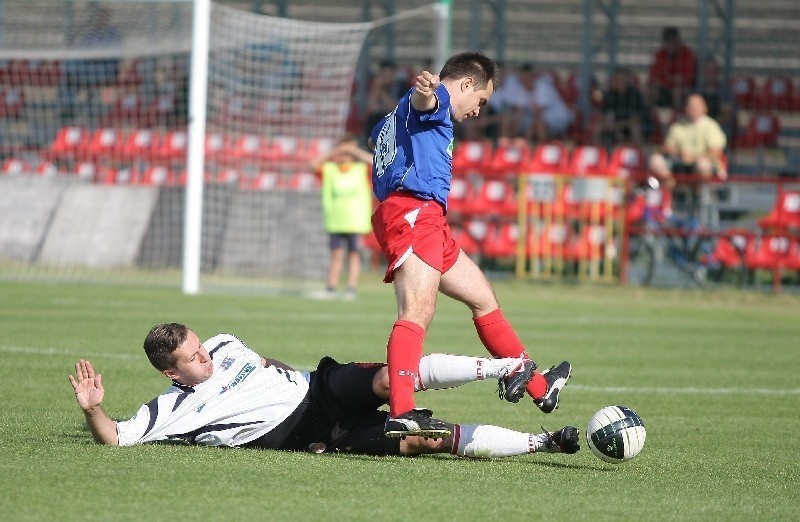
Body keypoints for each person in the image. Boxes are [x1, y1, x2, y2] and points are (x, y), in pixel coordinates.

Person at [367, 51, 572, 439]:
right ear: (465, 85)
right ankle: (402, 412)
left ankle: (539, 389)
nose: (479, 111)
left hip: (427, 218)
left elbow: (381, 133)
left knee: (483, 298)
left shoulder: (400, 115)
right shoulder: (439, 101)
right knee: (418, 310)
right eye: (481, 101)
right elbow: (427, 100)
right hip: (414, 212)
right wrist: (425, 94)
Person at [69, 323, 581, 458]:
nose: (206, 356)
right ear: (172, 374)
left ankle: (511, 367)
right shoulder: (172, 410)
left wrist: (290, 375)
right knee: (427, 437)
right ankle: (544, 442)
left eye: (202, 347)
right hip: (315, 432)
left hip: (319, 386)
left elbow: (263, 362)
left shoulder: (224, 343)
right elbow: (115, 437)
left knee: (391, 376)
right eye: (193, 359)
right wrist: (95, 411)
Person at [310, 136, 374, 300]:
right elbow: (312, 165)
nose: (345, 155)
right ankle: (331, 287)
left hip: (355, 221)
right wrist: (334, 151)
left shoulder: (361, 169)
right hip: (336, 220)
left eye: (348, 151)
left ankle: (351, 288)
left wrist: (354, 151)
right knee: (336, 255)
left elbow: (376, 162)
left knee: (354, 254)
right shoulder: (330, 169)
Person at [649, 93, 728, 190]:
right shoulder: (678, 125)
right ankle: (672, 187)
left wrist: (694, 157)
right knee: (655, 160)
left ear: (704, 108)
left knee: (703, 165)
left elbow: (717, 151)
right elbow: (667, 147)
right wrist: (679, 153)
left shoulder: (711, 126)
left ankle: (698, 192)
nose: (693, 109)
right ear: (686, 108)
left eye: (696, 106)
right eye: (690, 106)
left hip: (700, 165)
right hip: (679, 163)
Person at [596, 68, 649, 149]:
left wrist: (621, 125)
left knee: (635, 128)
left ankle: (639, 154)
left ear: (628, 81)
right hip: (614, 125)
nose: (620, 82)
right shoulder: (609, 95)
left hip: (629, 125)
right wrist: (610, 124)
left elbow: (638, 118)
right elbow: (604, 115)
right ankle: (600, 155)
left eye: (623, 79)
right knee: (598, 127)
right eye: (618, 79)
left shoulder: (635, 95)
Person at [647, 26, 698, 112]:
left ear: (678, 41)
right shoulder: (659, 55)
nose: (670, 46)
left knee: (677, 92)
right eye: (668, 42)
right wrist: (672, 80)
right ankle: (651, 117)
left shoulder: (688, 54)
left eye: (673, 42)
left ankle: (676, 118)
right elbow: (653, 77)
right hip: (664, 88)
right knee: (650, 90)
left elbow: (688, 79)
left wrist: (668, 79)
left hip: (683, 89)